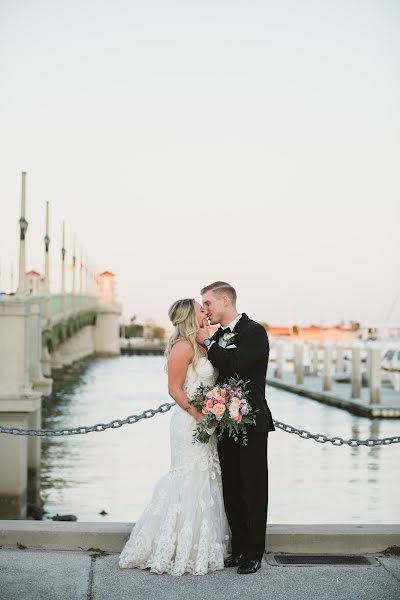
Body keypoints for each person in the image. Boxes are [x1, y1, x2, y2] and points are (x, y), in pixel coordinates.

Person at [118, 298, 230, 576]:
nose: (205, 311)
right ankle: (173, 546)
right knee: (187, 477)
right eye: (200, 308)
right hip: (189, 422)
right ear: (190, 316)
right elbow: (174, 388)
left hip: (207, 420)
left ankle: (201, 546)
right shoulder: (182, 347)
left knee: (207, 477)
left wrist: (215, 409)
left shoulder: (205, 344)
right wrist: (200, 416)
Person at [196, 282, 275, 575]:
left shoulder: (254, 332)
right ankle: (238, 547)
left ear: (225, 301)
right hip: (224, 420)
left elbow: (235, 365)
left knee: (254, 487)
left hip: (251, 421)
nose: (205, 309)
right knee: (231, 485)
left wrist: (207, 342)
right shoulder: (217, 336)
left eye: (208, 303)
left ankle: (254, 552)